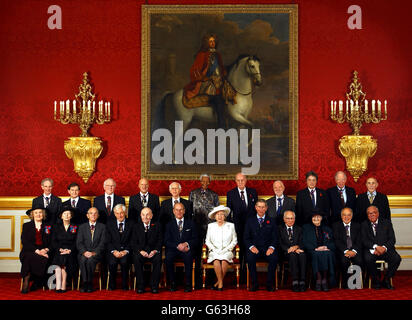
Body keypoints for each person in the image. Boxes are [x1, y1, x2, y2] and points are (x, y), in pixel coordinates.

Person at [183, 33, 227, 128]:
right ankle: (221, 127)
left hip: (218, 80)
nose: (212, 43)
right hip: (206, 81)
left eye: (213, 41)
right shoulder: (201, 55)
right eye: (210, 41)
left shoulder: (217, 55)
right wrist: (205, 78)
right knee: (218, 99)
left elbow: (221, 68)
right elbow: (195, 70)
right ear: (206, 43)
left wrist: (222, 74)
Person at [189, 173, 219, 289]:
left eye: (207, 181)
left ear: (210, 182)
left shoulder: (214, 195)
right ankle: (197, 278)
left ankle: (211, 278)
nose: (205, 183)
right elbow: (190, 211)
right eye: (203, 181)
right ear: (200, 181)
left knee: (210, 252)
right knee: (196, 253)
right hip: (196, 227)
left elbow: (216, 212)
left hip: (210, 228)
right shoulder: (193, 193)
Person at [226, 172, 258, 283]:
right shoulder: (231, 193)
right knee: (240, 251)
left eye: (242, 180)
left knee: (249, 249)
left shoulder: (252, 192)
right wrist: (230, 228)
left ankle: (247, 272)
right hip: (237, 227)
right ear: (235, 181)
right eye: (238, 180)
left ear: (246, 180)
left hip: (251, 228)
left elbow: (256, 211)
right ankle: (240, 274)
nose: (240, 182)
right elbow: (228, 213)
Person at [361, 205, 401, 289]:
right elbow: (364, 240)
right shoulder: (364, 224)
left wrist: (384, 248)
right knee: (368, 259)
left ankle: (386, 280)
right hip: (372, 250)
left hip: (385, 249)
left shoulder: (387, 223)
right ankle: (376, 281)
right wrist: (375, 247)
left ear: (378, 213)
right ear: (367, 215)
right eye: (369, 213)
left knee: (396, 258)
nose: (372, 215)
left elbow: (392, 239)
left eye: (374, 213)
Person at [244, 199, 278, 292]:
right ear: (255, 207)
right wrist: (251, 247)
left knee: (274, 258)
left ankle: (269, 284)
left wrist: (271, 247)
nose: (261, 209)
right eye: (259, 207)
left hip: (267, 248)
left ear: (266, 208)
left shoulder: (272, 220)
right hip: (255, 248)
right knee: (250, 258)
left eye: (263, 207)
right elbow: (246, 238)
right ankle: (254, 284)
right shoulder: (250, 221)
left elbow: (275, 237)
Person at [164, 202, 198, 292]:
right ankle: (172, 283)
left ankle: (188, 284)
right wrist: (177, 246)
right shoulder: (169, 225)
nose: (179, 212)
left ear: (184, 211)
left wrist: (186, 244)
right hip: (173, 249)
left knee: (189, 257)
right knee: (168, 258)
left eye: (181, 209)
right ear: (173, 211)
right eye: (176, 210)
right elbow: (166, 241)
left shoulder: (191, 223)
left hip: (186, 249)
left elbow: (196, 239)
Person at [20, 204, 52, 294]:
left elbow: (53, 242)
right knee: (28, 257)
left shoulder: (48, 226)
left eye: (40, 212)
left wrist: (46, 250)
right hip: (30, 250)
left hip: (44, 250)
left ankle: (35, 280)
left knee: (41, 258)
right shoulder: (26, 226)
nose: (38, 214)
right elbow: (24, 242)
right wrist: (37, 251)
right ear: (32, 214)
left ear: (43, 214)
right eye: (36, 213)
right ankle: (27, 280)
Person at [205, 205, 237, 291]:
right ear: (215, 216)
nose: (220, 216)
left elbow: (234, 240)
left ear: (225, 216)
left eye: (222, 214)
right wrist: (214, 249)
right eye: (218, 214)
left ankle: (218, 283)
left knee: (224, 260)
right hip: (214, 250)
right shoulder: (211, 226)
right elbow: (207, 241)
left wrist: (227, 249)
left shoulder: (231, 226)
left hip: (227, 250)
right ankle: (221, 282)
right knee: (216, 260)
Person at [303, 210, 336, 291]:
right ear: (311, 218)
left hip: (325, 250)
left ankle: (324, 280)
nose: (316, 218)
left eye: (318, 217)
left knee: (327, 254)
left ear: (321, 218)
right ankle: (318, 279)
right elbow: (304, 242)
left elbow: (333, 242)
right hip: (313, 250)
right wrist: (315, 248)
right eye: (314, 217)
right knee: (316, 254)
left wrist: (326, 246)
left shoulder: (327, 229)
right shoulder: (306, 228)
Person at [132, 207, 162, 294]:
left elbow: (160, 240)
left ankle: (154, 286)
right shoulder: (136, 226)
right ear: (141, 216)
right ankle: (140, 286)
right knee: (136, 258)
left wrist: (155, 251)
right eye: (143, 215)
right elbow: (133, 242)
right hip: (141, 252)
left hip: (153, 252)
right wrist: (140, 251)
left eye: (148, 214)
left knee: (158, 259)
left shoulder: (157, 225)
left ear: (151, 216)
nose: (145, 217)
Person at [76, 207, 106, 293]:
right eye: (91, 213)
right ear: (87, 215)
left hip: (97, 253)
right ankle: (85, 282)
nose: (93, 215)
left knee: (90, 261)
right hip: (84, 252)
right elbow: (79, 242)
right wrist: (85, 252)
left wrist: (94, 252)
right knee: (82, 259)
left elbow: (103, 243)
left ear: (98, 215)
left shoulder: (102, 227)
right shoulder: (82, 227)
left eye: (95, 213)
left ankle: (90, 282)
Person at [332, 207, 363, 289]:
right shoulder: (336, 225)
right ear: (341, 216)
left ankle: (355, 282)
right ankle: (346, 282)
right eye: (344, 215)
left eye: (349, 215)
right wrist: (346, 251)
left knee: (359, 260)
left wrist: (353, 251)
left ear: (352, 216)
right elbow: (337, 241)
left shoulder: (357, 225)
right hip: (342, 251)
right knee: (344, 260)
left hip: (354, 250)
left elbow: (359, 240)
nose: (346, 217)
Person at [106, 204, 134, 291]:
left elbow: (133, 240)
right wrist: (114, 251)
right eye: (117, 213)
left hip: (126, 251)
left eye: (122, 213)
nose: (120, 215)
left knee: (125, 262)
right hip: (113, 251)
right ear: (114, 214)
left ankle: (125, 285)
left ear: (125, 212)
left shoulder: (131, 223)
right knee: (112, 262)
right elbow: (107, 241)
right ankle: (112, 285)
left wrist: (125, 251)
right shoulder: (110, 224)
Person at [51, 206, 79, 293]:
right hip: (59, 250)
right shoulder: (56, 227)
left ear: (71, 216)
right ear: (61, 216)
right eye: (65, 214)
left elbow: (77, 241)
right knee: (60, 258)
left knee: (65, 258)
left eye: (68, 214)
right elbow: (53, 241)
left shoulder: (75, 226)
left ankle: (63, 283)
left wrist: (70, 250)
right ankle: (59, 284)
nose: (67, 216)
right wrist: (60, 249)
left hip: (71, 251)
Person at [278, 210, 306, 292]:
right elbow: (279, 243)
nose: (290, 220)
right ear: (284, 219)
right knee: (293, 255)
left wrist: (297, 247)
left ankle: (302, 281)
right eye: (288, 218)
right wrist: (288, 249)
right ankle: (295, 281)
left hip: (298, 250)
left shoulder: (299, 229)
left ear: (294, 219)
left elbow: (303, 241)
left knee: (303, 255)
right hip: (285, 252)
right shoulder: (279, 229)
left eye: (292, 218)